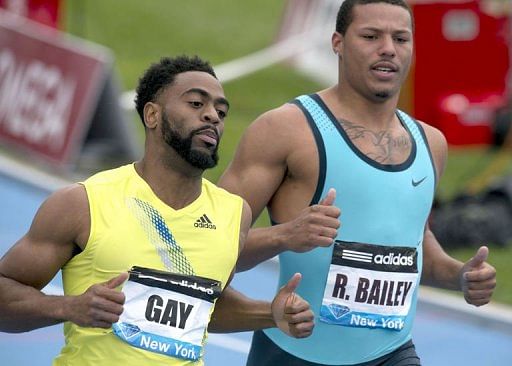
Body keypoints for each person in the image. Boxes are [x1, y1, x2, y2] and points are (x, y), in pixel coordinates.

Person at [218, 1, 497, 365]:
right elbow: (206, 243)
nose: (388, 48)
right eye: (370, 36)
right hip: (294, 353)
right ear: (337, 42)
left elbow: (412, 248)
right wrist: (284, 236)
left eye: (401, 38)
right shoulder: (286, 131)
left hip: (391, 354)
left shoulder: (431, 144)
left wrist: (460, 276)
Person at [0, 55, 315, 365]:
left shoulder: (235, 215)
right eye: (196, 104)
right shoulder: (83, 203)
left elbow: (205, 307)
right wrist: (68, 307)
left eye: (221, 111)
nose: (213, 117)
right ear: (152, 115)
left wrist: (269, 313)